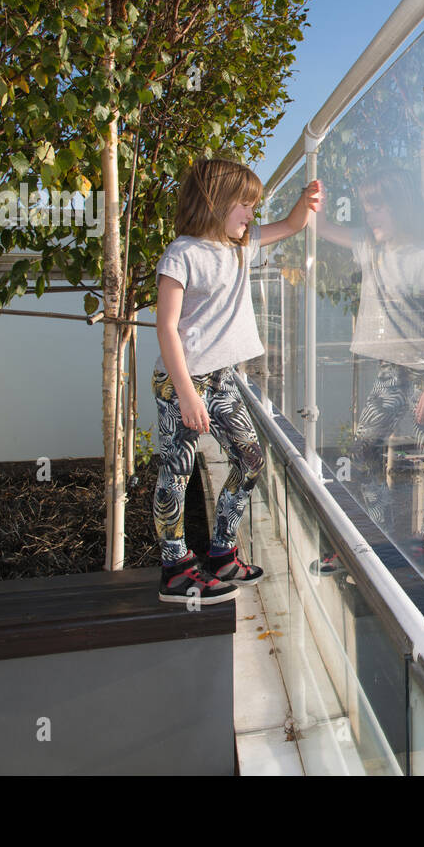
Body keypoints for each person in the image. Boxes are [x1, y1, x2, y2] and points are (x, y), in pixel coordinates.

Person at [151, 156, 322, 603]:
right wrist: (187, 395)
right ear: (215, 201)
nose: (251, 214)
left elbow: (291, 225)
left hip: (222, 380)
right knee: (177, 472)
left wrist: (307, 201)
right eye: (245, 205)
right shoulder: (182, 254)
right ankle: (176, 568)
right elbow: (166, 327)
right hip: (182, 382)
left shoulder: (241, 246)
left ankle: (222, 552)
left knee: (250, 458)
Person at [317, 165, 424, 568]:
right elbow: (321, 228)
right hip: (391, 373)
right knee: (362, 450)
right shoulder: (369, 247)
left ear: (400, 207)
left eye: (377, 208)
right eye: (366, 209)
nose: (370, 216)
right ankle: (379, 536)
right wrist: (315, 190)